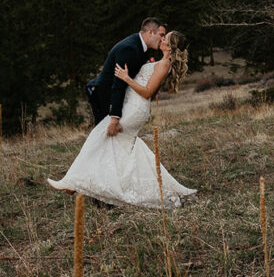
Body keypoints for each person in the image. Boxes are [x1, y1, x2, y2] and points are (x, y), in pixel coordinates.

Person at [48, 31, 196, 209]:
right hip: (131, 106)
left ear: (170, 47)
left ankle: (73, 182)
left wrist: (126, 78)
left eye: (165, 38)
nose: (161, 39)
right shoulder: (161, 62)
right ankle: (78, 182)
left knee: (99, 137)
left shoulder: (165, 64)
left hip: (134, 110)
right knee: (115, 148)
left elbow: (147, 92)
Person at [85, 18, 166, 135]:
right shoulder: (129, 49)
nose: (163, 39)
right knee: (104, 135)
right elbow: (118, 83)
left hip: (113, 94)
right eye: (161, 35)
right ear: (150, 32)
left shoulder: (143, 47)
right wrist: (114, 118)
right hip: (104, 94)